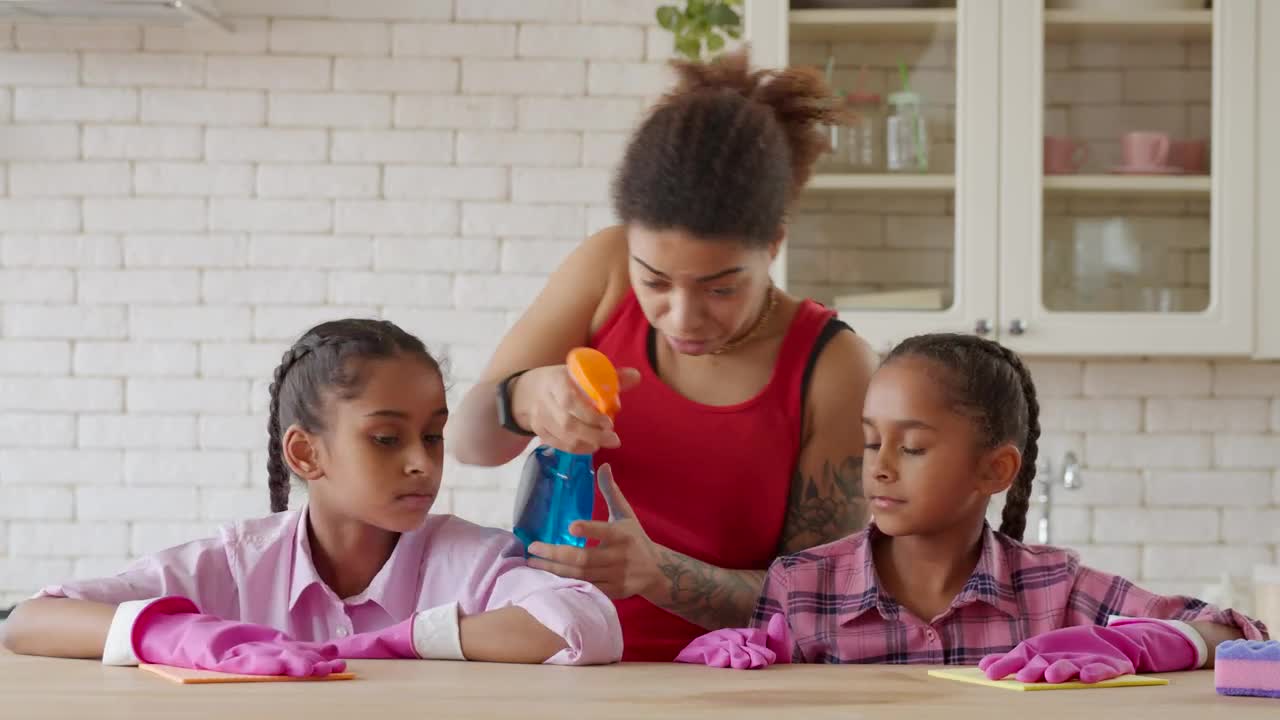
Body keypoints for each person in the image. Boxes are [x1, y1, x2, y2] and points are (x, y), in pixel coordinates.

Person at [447, 50, 878, 661]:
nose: (682, 316)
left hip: (724, 684)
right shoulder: (604, 270)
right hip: (551, 659)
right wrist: (522, 396)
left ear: (774, 244)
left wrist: (661, 575)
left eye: (720, 287)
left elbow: (822, 605)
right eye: (655, 281)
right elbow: (468, 443)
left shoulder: (833, 370)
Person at [1, 319, 622, 673]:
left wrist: (390, 643)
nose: (421, 462)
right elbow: (30, 621)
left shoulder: (471, 560)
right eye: (385, 438)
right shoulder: (235, 565)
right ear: (305, 453)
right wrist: (179, 638)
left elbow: (586, 622)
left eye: (432, 435)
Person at [751, 333, 1268, 680]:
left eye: (911, 447)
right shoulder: (800, 588)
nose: (880, 467)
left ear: (995, 469)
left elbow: (1239, 635)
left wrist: (1140, 647)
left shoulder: (1055, 588)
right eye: (870, 442)